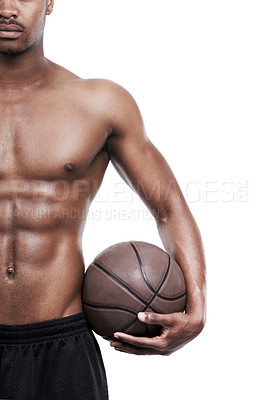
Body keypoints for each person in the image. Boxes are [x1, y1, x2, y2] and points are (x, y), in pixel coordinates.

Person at [0, 0, 206, 399]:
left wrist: (196, 305)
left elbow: (168, 206)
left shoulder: (98, 103)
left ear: (49, 2)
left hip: (62, 346)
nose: (7, 7)